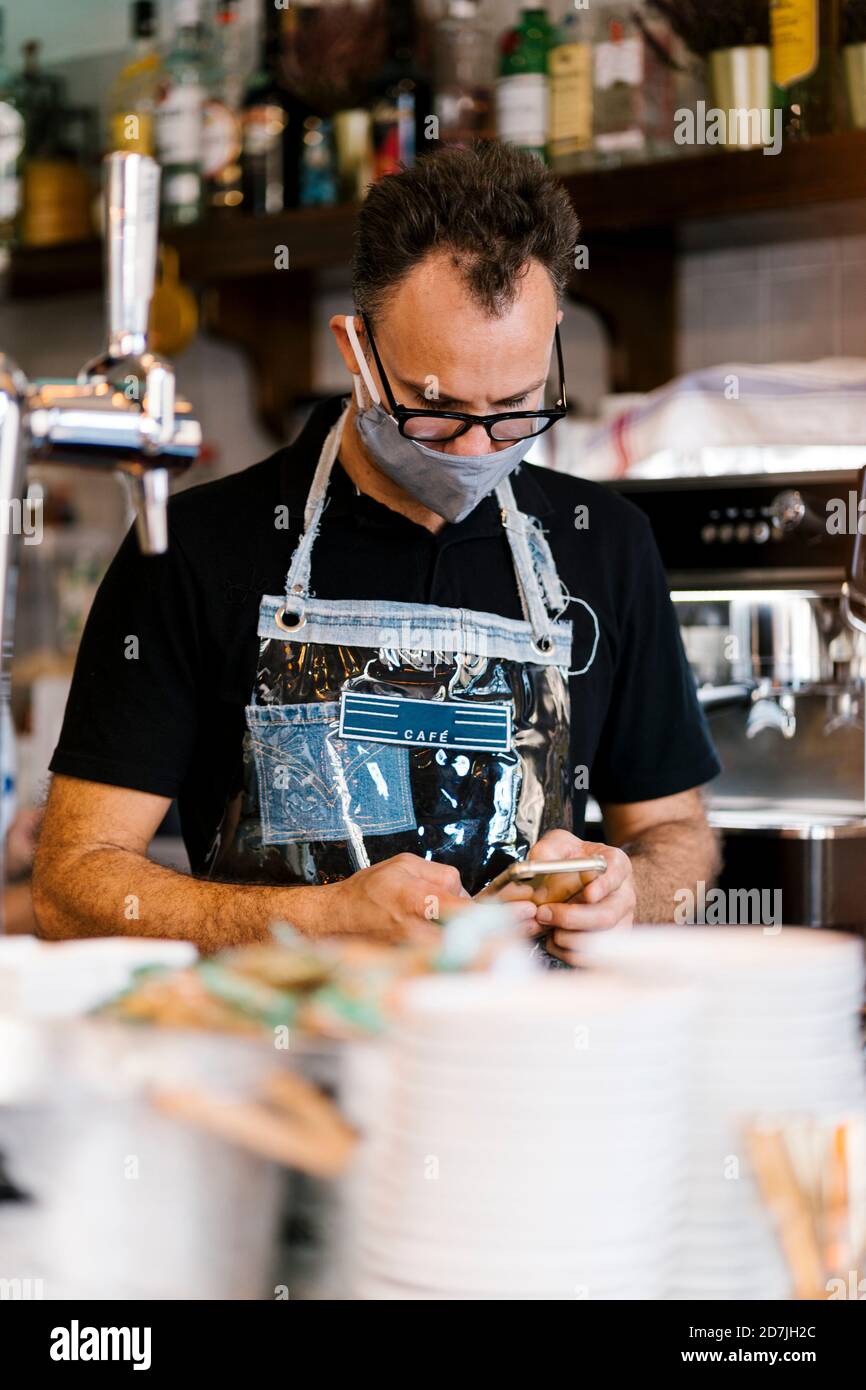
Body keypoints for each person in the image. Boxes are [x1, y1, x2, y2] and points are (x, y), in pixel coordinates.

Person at [33, 142, 720, 966]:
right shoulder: (191, 548)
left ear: (552, 343)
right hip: (277, 1064)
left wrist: (627, 894)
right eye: (436, 410)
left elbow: (678, 836)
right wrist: (322, 919)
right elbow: (69, 888)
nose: (473, 450)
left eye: (513, 407)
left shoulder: (606, 544)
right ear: (356, 349)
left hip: (528, 1064)